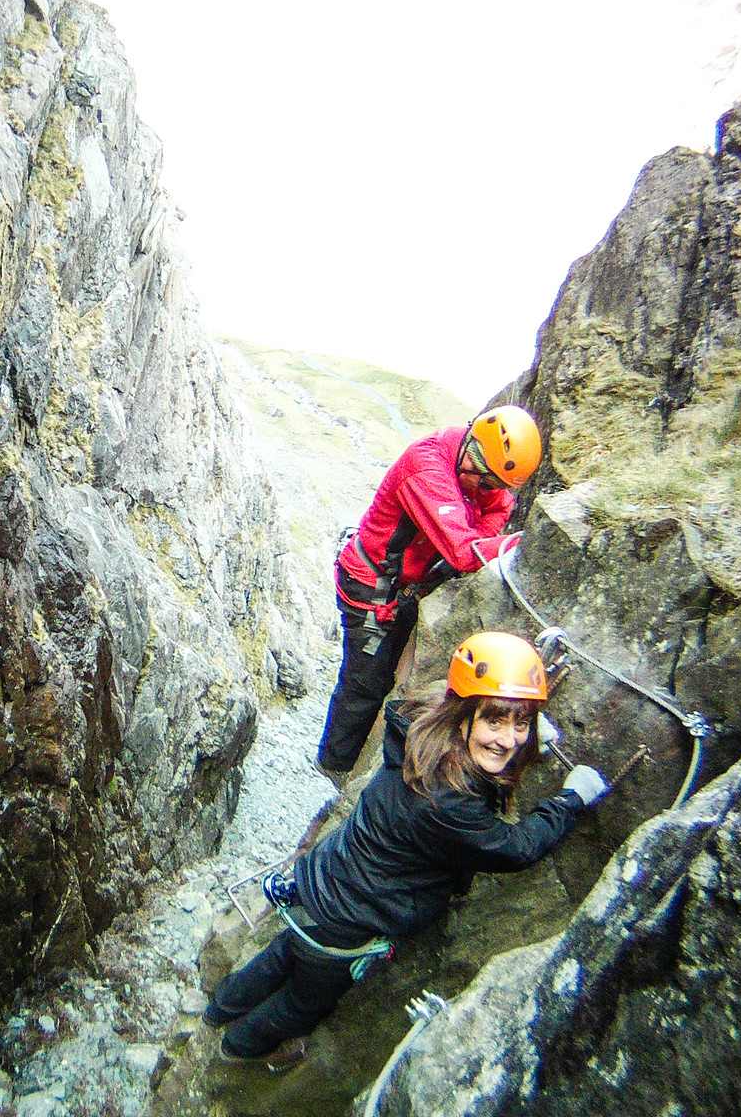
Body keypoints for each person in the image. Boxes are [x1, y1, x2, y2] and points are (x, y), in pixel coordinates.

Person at [206, 632, 608, 1068]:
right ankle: (235, 1048)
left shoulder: (421, 723)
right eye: (495, 721)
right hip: (346, 923)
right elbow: (515, 847)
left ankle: (218, 1010)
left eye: (520, 724)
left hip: (321, 882)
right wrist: (570, 801)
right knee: (303, 1003)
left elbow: (465, 709)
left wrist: (519, 735)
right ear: (464, 719)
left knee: (281, 954)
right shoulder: (447, 804)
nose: (509, 739)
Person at [316, 405, 543, 784]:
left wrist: (484, 527)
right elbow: (463, 550)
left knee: (390, 677)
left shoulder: (475, 464)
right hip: (372, 589)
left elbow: (498, 507)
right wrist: (516, 544)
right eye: (486, 482)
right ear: (472, 454)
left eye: (494, 484)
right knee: (365, 683)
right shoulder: (427, 468)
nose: (488, 491)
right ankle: (335, 765)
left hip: (406, 584)